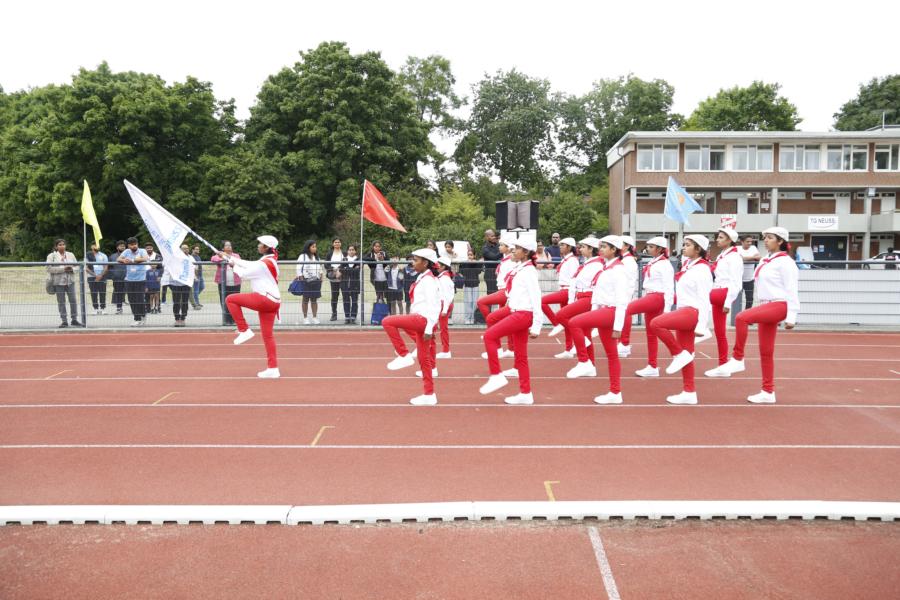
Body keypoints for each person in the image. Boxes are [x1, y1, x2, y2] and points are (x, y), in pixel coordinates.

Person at [717, 227, 801, 404]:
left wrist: (791, 316)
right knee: (766, 352)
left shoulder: (786, 262)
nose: (766, 241)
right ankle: (768, 392)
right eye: (765, 238)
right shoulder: (765, 259)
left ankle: (738, 358)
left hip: (779, 304)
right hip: (766, 305)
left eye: (770, 238)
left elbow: (792, 289)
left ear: (780, 241)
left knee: (741, 317)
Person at [566, 235, 631, 404]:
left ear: (614, 250)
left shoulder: (619, 270)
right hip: (603, 311)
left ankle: (584, 361)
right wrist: (594, 315)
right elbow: (597, 294)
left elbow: (622, 299)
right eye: (600, 246)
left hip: (611, 312)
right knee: (612, 354)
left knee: (574, 322)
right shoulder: (606, 268)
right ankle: (615, 392)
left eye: (604, 246)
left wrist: (618, 327)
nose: (600, 249)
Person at [650, 235, 713, 405]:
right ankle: (689, 392)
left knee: (656, 323)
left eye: (688, 245)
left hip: (691, 312)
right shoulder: (689, 266)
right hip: (684, 310)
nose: (683, 247)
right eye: (684, 244)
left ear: (698, 249)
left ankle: (677, 354)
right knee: (687, 354)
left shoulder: (702, 270)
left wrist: (701, 325)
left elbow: (704, 299)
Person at [478, 238, 542, 405]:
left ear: (526, 252)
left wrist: (537, 325)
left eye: (517, 249)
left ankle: (496, 375)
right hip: (518, 311)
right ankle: (526, 393)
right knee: (521, 356)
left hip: (522, 314)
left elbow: (536, 297)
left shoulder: (529, 271)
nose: (513, 251)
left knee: (489, 336)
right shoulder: (521, 268)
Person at [382, 248, 442, 406]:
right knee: (423, 358)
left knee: (387, 321)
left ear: (425, 263)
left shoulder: (429, 280)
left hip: (422, 320)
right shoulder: (423, 277)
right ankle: (429, 394)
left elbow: (435, 305)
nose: (412, 262)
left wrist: (429, 328)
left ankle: (403, 355)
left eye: (416, 260)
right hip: (421, 320)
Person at [223, 235, 282, 378]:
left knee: (230, 299)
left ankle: (244, 330)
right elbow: (248, 263)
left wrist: (233, 266)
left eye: (260, 244)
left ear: (266, 247)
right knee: (268, 336)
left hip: (265, 299)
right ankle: (273, 368)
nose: (258, 245)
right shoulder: (269, 260)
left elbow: (244, 274)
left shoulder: (263, 264)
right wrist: (229, 257)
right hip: (273, 302)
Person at [621, 237, 674, 378]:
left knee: (624, 309)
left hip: (657, 297)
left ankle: (622, 343)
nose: (647, 249)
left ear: (660, 249)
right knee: (651, 334)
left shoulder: (665, 264)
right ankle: (652, 366)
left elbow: (669, 288)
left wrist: (667, 310)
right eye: (648, 246)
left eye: (651, 247)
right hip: (651, 295)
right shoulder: (653, 261)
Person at [550, 237, 604, 360]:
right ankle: (588, 362)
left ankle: (583, 346)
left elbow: (595, 285)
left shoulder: (596, 265)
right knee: (585, 332)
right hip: (580, 296)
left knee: (561, 316)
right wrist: (572, 299)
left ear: (591, 249)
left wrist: (595, 307)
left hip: (588, 297)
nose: (580, 249)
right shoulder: (587, 263)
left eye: (583, 247)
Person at [704, 228, 745, 377]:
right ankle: (723, 366)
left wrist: (728, 302)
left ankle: (701, 330)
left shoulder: (734, 257)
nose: (717, 240)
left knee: (695, 298)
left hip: (724, 292)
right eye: (718, 237)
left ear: (729, 240)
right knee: (720, 332)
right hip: (718, 290)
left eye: (721, 237)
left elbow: (736, 282)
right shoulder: (722, 255)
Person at [477, 234, 517, 359]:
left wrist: (510, 296)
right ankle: (511, 349)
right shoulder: (506, 259)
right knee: (508, 320)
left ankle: (497, 347)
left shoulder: (511, 261)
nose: (499, 247)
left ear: (508, 247)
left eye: (502, 245)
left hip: (505, 292)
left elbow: (513, 280)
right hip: (503, 291)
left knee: (481, 302)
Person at [542, 237, 578, 353]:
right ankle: (569, 349)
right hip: (563, 289)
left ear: (569, 247)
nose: (560, 247)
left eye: (563, 245)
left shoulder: (572, 261)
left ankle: (557, 324)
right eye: (560, 244)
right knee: (567, 320)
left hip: (567, 291)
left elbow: (574, 279)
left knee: (541, 301)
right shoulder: (565, 259)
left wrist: (572, 297)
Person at [46, 239, 82, 328]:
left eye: (63, 244)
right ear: (56, 246)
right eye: (60, 245)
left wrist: (71, 269)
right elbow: (49, 268)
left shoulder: (71, 254)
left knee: (73, 300)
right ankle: (64, 321)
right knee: (61, 302)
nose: (62, 246)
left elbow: (77, 266)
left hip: (70, 282)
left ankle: (74, 319)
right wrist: (63, 269)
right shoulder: (51, 256)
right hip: (58, 282)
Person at [117, 237, 149, 326]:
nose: (134, 246)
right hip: (129, 280)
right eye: (131, 245)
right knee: (132, 300)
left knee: (139, 299)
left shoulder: (142, 251)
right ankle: (137, 318)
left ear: (137, 244)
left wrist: (133, 260)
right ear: (128, 246)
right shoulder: (126, 251)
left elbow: (145, 258)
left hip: (140, 279)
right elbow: (118, 259)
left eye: (135, 244)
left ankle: (143, 315)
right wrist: (123, 260)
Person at [616, 235, 639, 357]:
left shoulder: (628, 261)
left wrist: (626, 294)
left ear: (627, 246)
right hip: (621, 292)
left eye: (620, 243)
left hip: (625, 293)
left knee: (625, 317)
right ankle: (622, 343)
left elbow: (629, 281)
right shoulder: (623, 259)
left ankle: (624, 344)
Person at [211, 241, 241, 325]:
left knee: (235, 301)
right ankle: (227, 319)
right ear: (223, 248)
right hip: (223, 283)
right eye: (226, 245)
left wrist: (226, 256)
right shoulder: (219, 255)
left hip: (235, 283)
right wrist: (223, 258)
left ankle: (234, 319)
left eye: (230, 245)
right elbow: (213, 259)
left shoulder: (236, 255)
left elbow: (237, 261)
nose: (228, 247)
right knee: (224, 301)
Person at [296, 240, 323, 324]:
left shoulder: (316, 257)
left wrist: (321, 277)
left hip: (316, 280)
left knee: (314, 300)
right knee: (305, 299)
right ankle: (305, 318)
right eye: (313, 246)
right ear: (308, 247)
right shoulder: (302, 256)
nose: (315, 248)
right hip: (306, 280)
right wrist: (301, 278)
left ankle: (315, 317)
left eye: (315, 246)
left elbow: (320, 268)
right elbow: (298, 268)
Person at [167, 243, 193, 327]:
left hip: (186, 283)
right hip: (175, 283)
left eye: (187, 248)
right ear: (180, 250)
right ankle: (177, 318)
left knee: (185, 301)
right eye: (184, 248)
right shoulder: (175, 258)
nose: (186, 250)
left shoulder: (191, 258)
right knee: (176, 302)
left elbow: (195, 268)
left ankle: (183, 318)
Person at [436, 255, 456, 359]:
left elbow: (448, 295)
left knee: (443, 328)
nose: (436, 266)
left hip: (444, 304)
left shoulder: (445, 278)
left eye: (438, 265)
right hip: (443, 304)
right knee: (441, 328)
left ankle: (446, 350)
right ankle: (445, 350)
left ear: (443, 266)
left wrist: (444, 309)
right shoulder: (443, 277)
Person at [324, 238, 347, 322]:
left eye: (338, 242)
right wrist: (333, 269)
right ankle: (334, 314)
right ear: (333, 244)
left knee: (345, 296)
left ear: (341, 243)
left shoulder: (344, 253)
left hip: (343, 277)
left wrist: (339, 270)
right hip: (333, 278)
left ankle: (347, 315)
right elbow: (326, 265)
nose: (337, 243)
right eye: (335, 242)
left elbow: (346, 263)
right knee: (334, 297)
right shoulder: (329, 253)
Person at [459, 248, 483, 324]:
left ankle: (473, 318)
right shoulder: (464, 263)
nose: (470, 256)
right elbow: (461, 271)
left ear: (474, 255)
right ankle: (467, 318)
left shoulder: (477, 263)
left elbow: (479, 271)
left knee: (475, 302)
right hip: (467, 284)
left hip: (475, 284)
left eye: (471, 255)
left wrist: (476, 263)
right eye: (468, 255)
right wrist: (467, 263)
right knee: (468, 302)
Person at [738, 235, 761, 310]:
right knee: (737, 299)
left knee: (750, 299)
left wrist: (745, 258)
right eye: (747, 241)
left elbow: (759, 257)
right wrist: (753, 257)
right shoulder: (737, 249)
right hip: (738, 279)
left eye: (751, 241)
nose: (750, 243)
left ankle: (746, 314)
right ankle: (737, 315)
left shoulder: (753, 248)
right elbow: (739, 258)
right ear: (742, 242)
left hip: (750, 279)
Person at [86, 242, 109, 315]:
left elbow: (106, 267)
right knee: (93, 293)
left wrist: (100, 275)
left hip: (102, 276)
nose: (96, 247)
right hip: (91, 277)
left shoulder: (103, 255)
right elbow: (86, 268)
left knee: (102, 292)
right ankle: (95, 308)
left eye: (97, 245)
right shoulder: (88, 255)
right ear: (91, 246)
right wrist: (95, 275)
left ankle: (103, 308)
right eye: (95, 245)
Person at [341, 245, 362, 324]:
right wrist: (352, 269)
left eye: (353, 250)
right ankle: (347, 317)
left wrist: (347, 269)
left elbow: (357, 271)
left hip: (355, 283)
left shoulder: (358, 260)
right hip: (345, 283)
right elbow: (342, 270)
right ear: (347, 251)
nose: (351, 251)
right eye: (349, 250)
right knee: (346, 301)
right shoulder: (344, 259)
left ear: (355, 251)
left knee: (354, 301)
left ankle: (353, 317)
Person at [108, 240, 128, 314]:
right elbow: (109, 267)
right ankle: (119, 308)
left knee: (132, 293)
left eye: (124, 246)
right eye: (121, 246)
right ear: (117, 247)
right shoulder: (112, 256)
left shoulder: (129, 255)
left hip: (129, 278)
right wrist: (113, 275)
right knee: (118, 293)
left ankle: (135, 309)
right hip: (117, 278)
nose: (122, 247)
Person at [481, 229, 502, 294]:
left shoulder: (498, 245)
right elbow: (494, 257)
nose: (494, 237)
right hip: (490, 274)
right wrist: (502, 251)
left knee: (499, 293)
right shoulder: (485, 248)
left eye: (494, 236)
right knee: (491, 294)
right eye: (492, 236)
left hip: (499, 272)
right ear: (487, 237)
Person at [144, 244, 161, 314]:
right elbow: (146, 279)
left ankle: (157, 308)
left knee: (157, 297)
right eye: (147, 248)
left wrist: (160, 278)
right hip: (150, 286)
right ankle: (150, 308)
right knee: (150, 297)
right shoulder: (147, 272)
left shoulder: (159, 271)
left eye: (150, 247)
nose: (149, 249)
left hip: (157, 286)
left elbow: (161, 277)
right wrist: (146, 287)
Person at [190, 245, 205, 309]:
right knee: (196, 290)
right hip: (195, 275)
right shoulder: (191, 257)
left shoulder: (198, 256)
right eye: (196, 249)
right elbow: (193, 267)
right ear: (193, 250)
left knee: (202, 287)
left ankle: (192, 298)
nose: (198, 250)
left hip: (200, 275)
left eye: (198, 249)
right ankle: (196, 303)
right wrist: (195, 276)